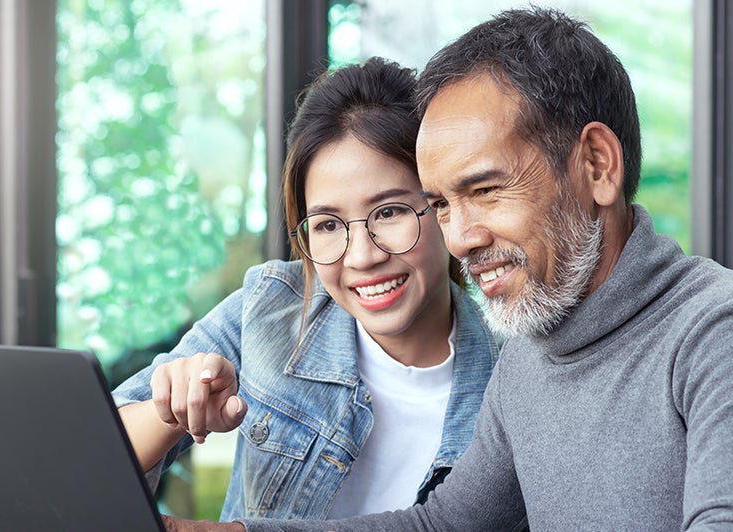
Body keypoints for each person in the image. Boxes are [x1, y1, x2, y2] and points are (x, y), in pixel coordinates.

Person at [162, 7, 733, 531]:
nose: (460, 239)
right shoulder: (532, 352)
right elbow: (442, 524)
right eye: (440, 205)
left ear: (596, 165)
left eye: (485, 191)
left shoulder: (727, 332)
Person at [112, 57, 499, 521]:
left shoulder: (509, 376)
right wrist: (170, 411)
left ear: (442, 206)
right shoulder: (272, 306)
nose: (361, 256)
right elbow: (88, 460)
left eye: (390, 212)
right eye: (328, 224)